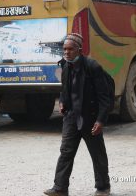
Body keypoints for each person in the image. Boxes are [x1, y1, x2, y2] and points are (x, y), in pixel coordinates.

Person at [44, 33, 111, 196]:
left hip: (90, 117)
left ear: (79, 50)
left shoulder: (92, 67)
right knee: (66, 151)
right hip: (71, 117)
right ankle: (60, 188)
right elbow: (65, 90)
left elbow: (105, 96)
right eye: (64, 49)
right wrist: (62, 102)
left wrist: (101, 120)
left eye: (70, 49)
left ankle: (103, 187)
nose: (66, 52)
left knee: (97, 153)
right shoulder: (65, 66)